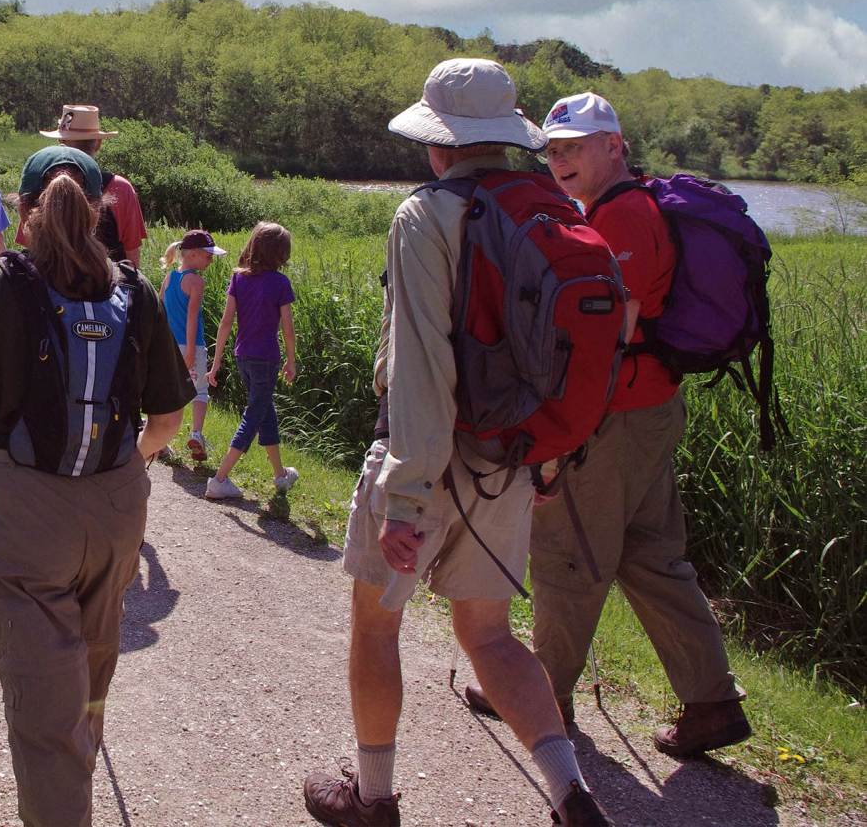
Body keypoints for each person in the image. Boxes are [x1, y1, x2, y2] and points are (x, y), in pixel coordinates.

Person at [303, 60, 610, 827]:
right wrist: (540, 454)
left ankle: (372, 801)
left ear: (439, 144)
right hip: (508, 458)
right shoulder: (548, 205)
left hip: (422, 455)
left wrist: (404, 500)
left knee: (377, 625)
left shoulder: (426, 214)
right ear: (506, 140)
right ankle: (570, 791)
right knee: (491, 637)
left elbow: (420, 369)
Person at [0, 145, 191, 827]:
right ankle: (70, 786)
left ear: (25, 213)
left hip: (23, 509)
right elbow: (167, 419)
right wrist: (122, 465)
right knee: (92, 671)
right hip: (116, 505)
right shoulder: (133, 290)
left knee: (45, 703)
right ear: (100, 210)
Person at [462, 92, 750, 759]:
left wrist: (562, 440)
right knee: (652, 558)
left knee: (568, 553)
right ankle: (712, 701)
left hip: (614, 415)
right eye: (554, 149)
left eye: (576, 146)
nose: (561, 159)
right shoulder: (631, 207)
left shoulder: (620, 220)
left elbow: (603, 341)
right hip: (651, 407)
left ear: (614, 146)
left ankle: (540, 693)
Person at [203, 222, 299, 500]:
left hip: (241, 355)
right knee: (254, 414)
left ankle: (280, 476)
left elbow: (225, 322)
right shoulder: (280, 283)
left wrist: (217, 361)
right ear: (281, 253)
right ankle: (219, 479)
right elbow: (288, 329)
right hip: (266, 358)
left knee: (265, 411)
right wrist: (291, 361)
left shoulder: (239, 278)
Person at [13, 104, 147, 265]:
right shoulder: (121, 188)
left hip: (44, 284)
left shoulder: (38, 182)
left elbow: (29, 244)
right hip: (102, 284)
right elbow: (132, 252)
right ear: (98, 144)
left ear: (60, 141)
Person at [159, 229, 225, 461]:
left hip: (168, 345)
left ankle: (160, 441)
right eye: (208, 255)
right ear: (194, 254)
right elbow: (192, 317)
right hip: (191, 346)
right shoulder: (196, 281)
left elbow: (161, 311)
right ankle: (196, 433)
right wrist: (189, 350)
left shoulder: (169, 278)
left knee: (171, 392)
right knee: (200, 390)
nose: (210, 260)